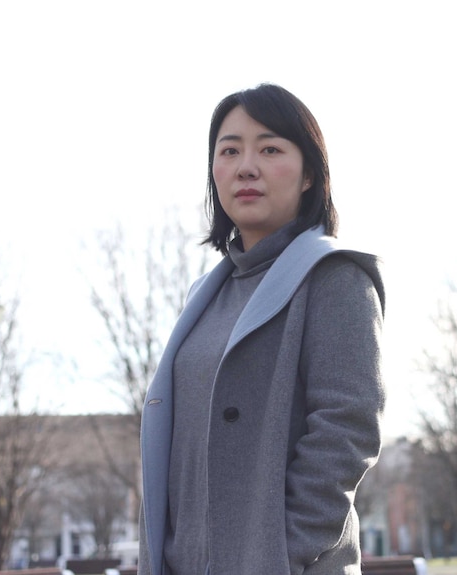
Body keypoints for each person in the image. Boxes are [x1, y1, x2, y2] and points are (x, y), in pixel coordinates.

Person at [138, 83, 385, 575]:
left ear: (311, 173)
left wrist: (281, 552)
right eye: (229, 150)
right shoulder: (204, 297)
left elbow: (347, 430)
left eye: (270, 148)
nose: (246, 166)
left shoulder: (336, 278)